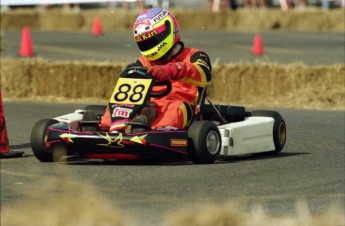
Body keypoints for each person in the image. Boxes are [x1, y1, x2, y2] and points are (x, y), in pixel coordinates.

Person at [100, 8, 212, 132]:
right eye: (145, 43)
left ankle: (153, 132)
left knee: (176, 109)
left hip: (178, 106)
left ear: (167, 31)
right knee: (118, 104)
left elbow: (204, 75)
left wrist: (172, 70)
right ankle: (106, 129)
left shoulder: (194, 55)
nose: (149, 46)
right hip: (147, 106)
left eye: (151, 41)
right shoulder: (143, 62)